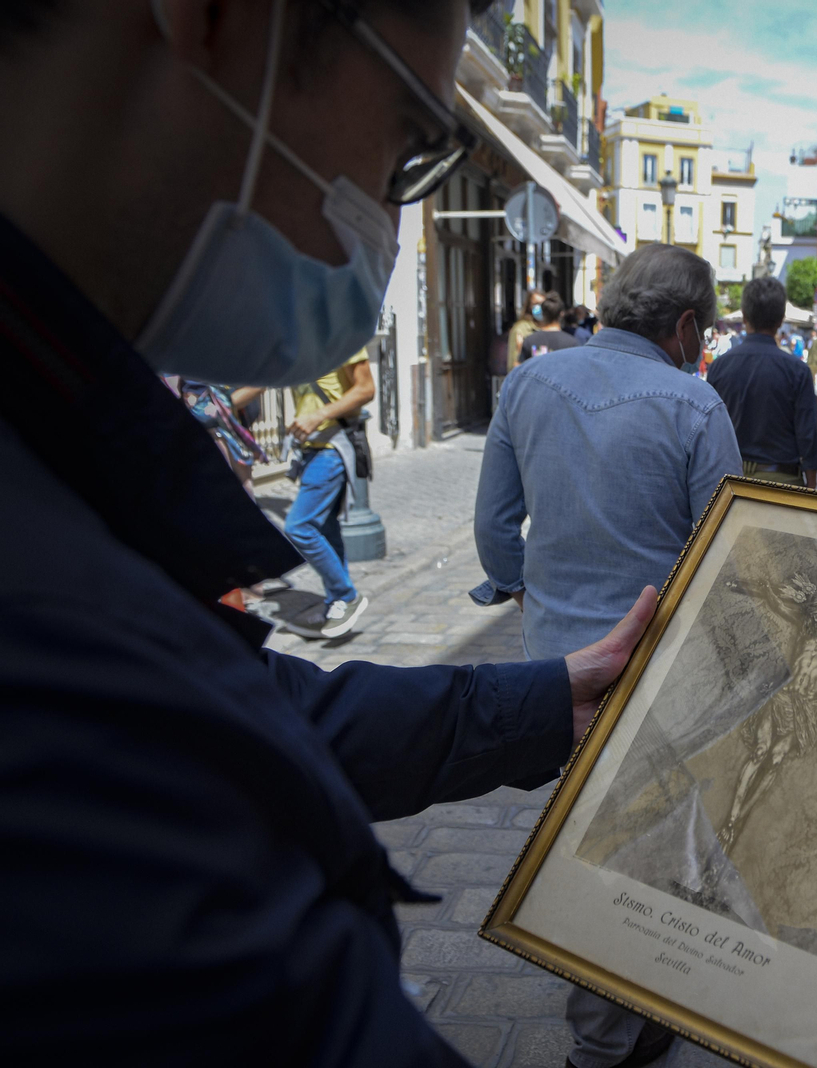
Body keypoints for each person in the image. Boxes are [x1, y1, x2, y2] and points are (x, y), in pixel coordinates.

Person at [0, 0, 660, 1062]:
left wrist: (540, 702)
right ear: (215, 21)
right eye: (408, 142)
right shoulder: (50, 650)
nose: (384, 234)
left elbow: (237, 710)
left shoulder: (57, 448)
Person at [473, 242, 743, 1068]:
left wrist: (528, 595)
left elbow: (493, 530)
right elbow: (724, 554)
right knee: (639, 847)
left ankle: (633, 1008)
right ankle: (602, 1043)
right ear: (688, 326)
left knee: (592, 836)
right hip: (660, 668)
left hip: (556, 669)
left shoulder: (528, 383)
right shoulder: (696, 406)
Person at [283, 350, 375, 637]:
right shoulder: (300, 341)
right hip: (312, 450)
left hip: (333, 449)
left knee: (299, 526)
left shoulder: (343, 339)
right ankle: (336, 603)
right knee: (326, 527)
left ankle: (345, 595)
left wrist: (318, 415)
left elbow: (366, 388)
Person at [706, 275, 817, 487]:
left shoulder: (719, 368)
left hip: (730, 483)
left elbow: (709, 433)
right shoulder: (797, 371)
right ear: (780, 321)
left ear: (745, 317)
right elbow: (809, 437)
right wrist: (811, 488)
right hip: (782, 483)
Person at [520, 291, 583, 363]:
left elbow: (519, 368)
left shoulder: (529, 341)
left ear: (542, 313)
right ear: (561, 314)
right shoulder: (572, 343)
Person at [507, 290, 543, 370]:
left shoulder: (547, 327)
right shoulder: (521, 329)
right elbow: (514, 362)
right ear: (529, 306)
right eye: (535, 303)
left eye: (542, 304)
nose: (539, 307)